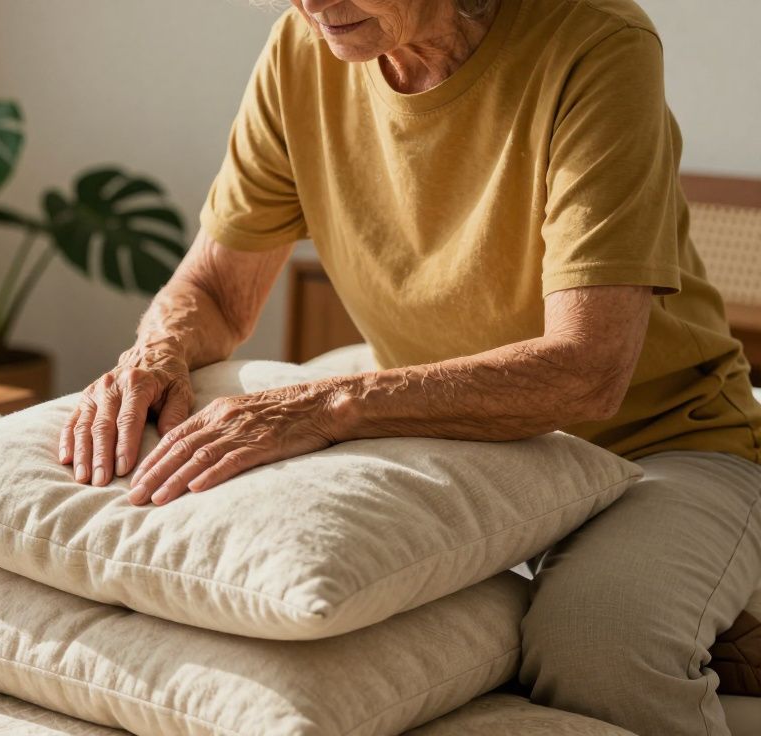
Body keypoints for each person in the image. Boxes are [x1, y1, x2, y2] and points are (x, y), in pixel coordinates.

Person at [59, 0, 761, 732]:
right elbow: (215, 291)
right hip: (457, 444)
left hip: (666, 442)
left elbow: (587, 369)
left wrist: (324, 407)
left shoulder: (596, 42)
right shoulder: (303, 51)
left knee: (594, 646)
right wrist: (154, 354)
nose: (313, 4)